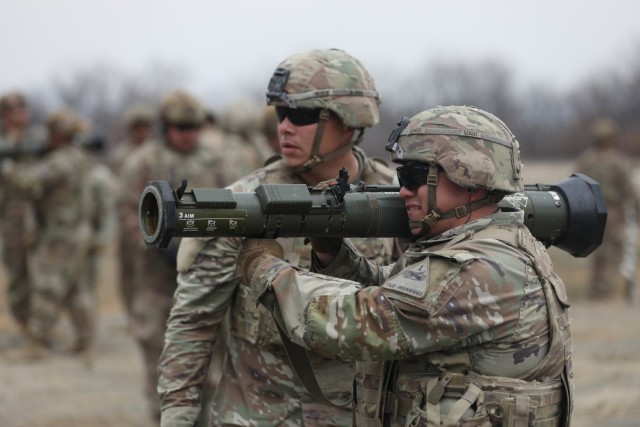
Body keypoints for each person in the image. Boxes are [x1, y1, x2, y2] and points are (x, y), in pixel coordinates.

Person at [238, 105, 574, 426]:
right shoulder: (487, 242)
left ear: (469, 177)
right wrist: (333, 253)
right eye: (401, 175)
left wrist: (264, 270)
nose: (402, 191)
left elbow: (360, 324)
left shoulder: (478, 268)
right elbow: (391, 292)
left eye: (413, 175)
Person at [158, 48, 398, 426]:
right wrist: (178, 415)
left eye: (301, 116)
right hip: (260, 415)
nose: (283, 127)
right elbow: (193, 322)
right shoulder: (243, 205)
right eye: (281, 114)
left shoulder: (398, 202)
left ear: (350, 121)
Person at [119, 90, 226, 421]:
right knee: (162, 367)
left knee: (211, 367)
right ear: (166, 127)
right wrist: (162, 246)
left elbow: (232, 206)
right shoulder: (142, 162)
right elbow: (127, 214)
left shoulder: (214, 161)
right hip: (158, 283)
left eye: (194, 127)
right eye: (181, 127)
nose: (188, 134)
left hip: (207, 281)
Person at [1, 109, 94, 361]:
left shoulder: (61, 161)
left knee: (46, 286)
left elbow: (27, 181)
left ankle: (35, 344)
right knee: (75, 287)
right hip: (76, 231)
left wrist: (6, 167)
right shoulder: (78, 157)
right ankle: (85, 340)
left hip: (61, 234)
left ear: (59, 135)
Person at [576, 117, 638, 300]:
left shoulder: (586, 161)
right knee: (613, 252)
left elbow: (574, 185)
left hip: (590, 212)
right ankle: (604, 292)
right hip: (613, 213)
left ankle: (596, 291)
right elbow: (630, 190)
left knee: (597, 253)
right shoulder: (618, 161)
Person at [0, 92, 46, 335]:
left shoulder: (38, 139)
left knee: (43, 271)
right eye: (13, 110)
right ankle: (24, 323)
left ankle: (43, 324)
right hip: (10, 217)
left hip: (38, 214)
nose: (19, 114)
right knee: (17, 273)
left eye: (22, 109)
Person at [110, 103, 156, 327]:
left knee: (146, 271)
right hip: (127, 217)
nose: (142, 131)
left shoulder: (156, 154)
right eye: (138, 127)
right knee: (126, 272)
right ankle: (130, 314)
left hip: (152, 220)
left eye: (146, 126)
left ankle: (144, 315)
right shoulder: (121, 155)